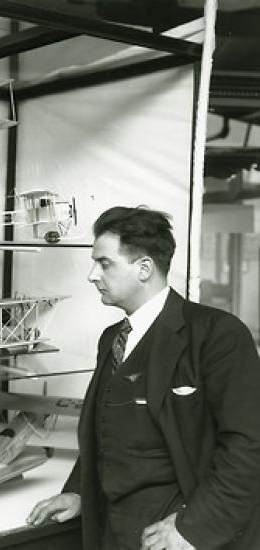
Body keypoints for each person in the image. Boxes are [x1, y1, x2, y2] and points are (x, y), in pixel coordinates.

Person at [26, 206, 260, 550]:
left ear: (144, 268)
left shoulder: (217, 335)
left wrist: (192, 529)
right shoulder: (111, 339)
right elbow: (107, 430)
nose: (92, 275)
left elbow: (248, 445)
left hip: (177, 531)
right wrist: (78, 491)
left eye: (104, 263)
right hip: (115, 530)